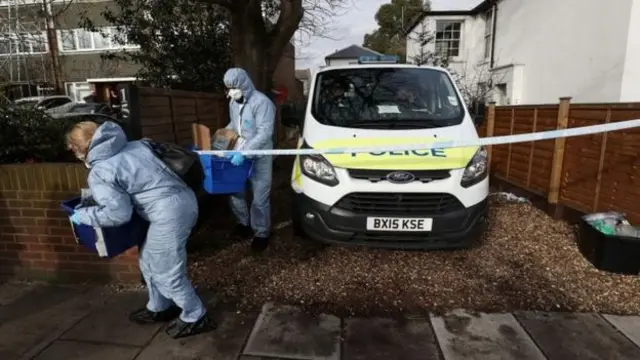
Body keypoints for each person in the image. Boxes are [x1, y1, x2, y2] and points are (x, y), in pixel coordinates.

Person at [66, 120, 214, 339]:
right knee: (147, 260)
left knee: (166, 269)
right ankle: (160, 306)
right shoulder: (135, 145)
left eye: (75, 151)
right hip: (181, 202)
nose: (76, 156)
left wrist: (81, 216)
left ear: (82, 149)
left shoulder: (101, 171)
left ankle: (196, 315)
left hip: (169, 214)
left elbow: (118, 214)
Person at [223, 68, 276, 252]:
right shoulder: (233, 103)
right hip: (240, 155)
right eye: (228, 87)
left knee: (259, 198)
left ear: (244, 84)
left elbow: (264, 133)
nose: (231, 91)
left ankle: (261, 233)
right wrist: (222, 136)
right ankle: (243, 224)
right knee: (235, 192)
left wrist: (244, 151)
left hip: (260, 157)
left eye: (234, 87)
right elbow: (234, 125)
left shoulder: (262, 103)